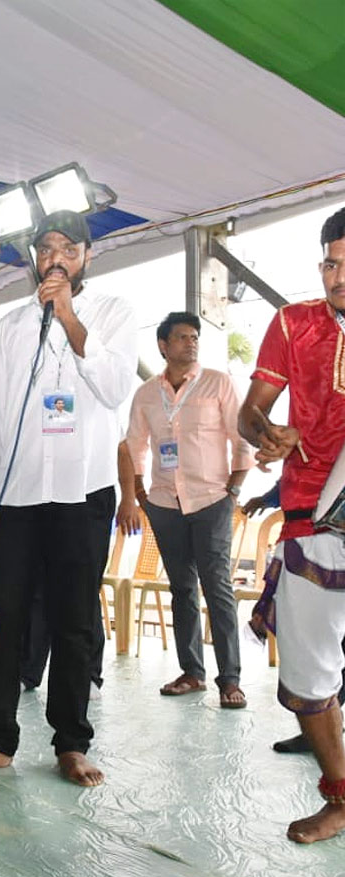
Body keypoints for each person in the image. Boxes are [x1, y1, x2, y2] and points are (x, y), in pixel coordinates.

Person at [0, 209, 135, 788]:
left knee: (73, 619)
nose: (56, 258)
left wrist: (69, 316)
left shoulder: (114, 312)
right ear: (33, 256)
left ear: (87, 255)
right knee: (2, 617)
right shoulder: (9, 326)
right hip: (18, 492)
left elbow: (111, 388)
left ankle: (71, 743)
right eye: (46, 248)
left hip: (83, 492)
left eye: (68, 249)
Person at [237, 206, 345, 843]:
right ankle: (339, 793)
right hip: (312, 517)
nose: (339, 278)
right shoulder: (292, 324)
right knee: (307, 673)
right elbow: (252, 414)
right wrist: (268, 433)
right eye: (333, 264)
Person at [121, 311, 253, 708]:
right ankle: (192, 672)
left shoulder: (218, 383)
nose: (191, 342)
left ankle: (229, 680)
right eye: (181, 337)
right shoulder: (146, 393)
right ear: (163, 345)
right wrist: (139, 492)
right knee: (181, 588)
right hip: (164, 504)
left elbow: (240, 436)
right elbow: (133, 445)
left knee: (218, 589)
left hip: (211, 500)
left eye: (194, 336)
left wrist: (234, 487)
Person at [242, 482, 345, 753]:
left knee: (325, 651)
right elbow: (308, 468)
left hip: (327, 546)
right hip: (320, 543)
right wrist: (268, 497)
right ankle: (319, 733)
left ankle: (322, 735)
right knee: (323, 651)